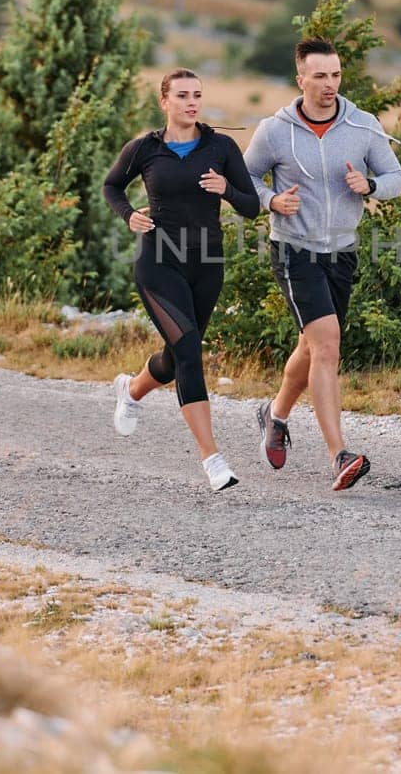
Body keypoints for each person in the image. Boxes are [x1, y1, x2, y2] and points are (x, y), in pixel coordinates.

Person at [243, 37, 401, 490]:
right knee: (328, 344)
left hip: (342, 251)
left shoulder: (363, 126)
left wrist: (369, 186)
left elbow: (396, 178)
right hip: (294, 250)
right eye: (320, 75)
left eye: (335, 75)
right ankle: (340, 455)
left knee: (313, 347)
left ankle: (273, 415)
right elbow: (247, 177)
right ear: (301, 80)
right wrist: (272, 199)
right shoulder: (274, 130)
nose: (330, 84)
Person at [102, 68, 262, 492]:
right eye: (183, 96)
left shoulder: (221, 147)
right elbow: (112, 185)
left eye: (197, 95)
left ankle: (132, 391)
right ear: (165, 102)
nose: (192, 102)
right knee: (190, 350)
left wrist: (227, 187)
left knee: (177, 358)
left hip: (207, 264)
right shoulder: (145, 149)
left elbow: (250, 207)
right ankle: (213, 460)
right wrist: (128, 215)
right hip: (158, 262)